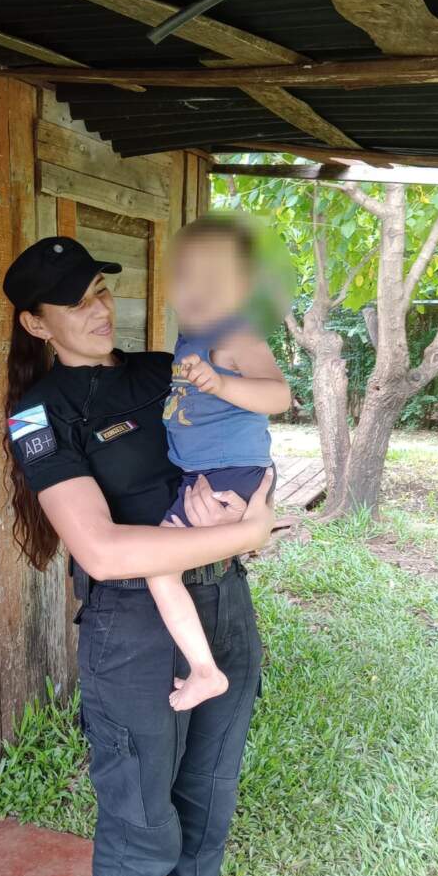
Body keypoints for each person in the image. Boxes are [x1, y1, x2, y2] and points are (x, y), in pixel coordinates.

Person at [3, 235, 275, 876]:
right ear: (35, 323)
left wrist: (256, 506)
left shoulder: (166, 370)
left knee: (206, 817)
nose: (99, 307)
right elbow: (100, 547)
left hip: (223, 605)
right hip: (133, 631)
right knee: (142, 831)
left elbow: (250, 434)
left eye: (99, 287)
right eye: (75, 299)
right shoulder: (39, 413)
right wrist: (246, 534)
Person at [148, 215, 290, 711]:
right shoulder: (190, 339)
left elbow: (280, 395)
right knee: (173, 564)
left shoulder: (237, 336)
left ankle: (205, 672)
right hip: (208, 474)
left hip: (232, 471)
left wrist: (222, 383)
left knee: (159, 569)